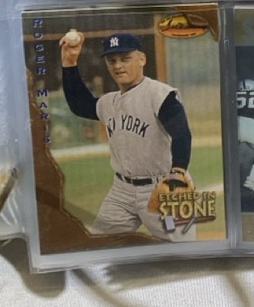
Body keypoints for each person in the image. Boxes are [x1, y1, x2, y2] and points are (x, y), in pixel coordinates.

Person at [59, 30, 196, 241]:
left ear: (142, 59)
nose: (118, 66)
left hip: (162, 187)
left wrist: (178, 171)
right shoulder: (109, 102)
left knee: (182, 251)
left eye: (125, 58)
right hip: (121, 192)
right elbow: (79, 104)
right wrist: (69, 62)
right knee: (100, 246)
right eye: (112, 60)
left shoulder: (158, 94)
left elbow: (182, 134)